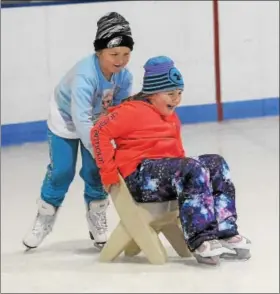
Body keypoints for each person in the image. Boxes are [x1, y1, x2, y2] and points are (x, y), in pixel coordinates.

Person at [90, 56, 251, 265]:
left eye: (179, 93)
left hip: (164, 175)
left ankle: (224, 229)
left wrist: (191, 172)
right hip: (140, 176)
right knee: (191, 168)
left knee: (216, 163)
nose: (176, 99)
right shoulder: (131, 111)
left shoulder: (170, 116)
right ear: (152, 93)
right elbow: (98, 132)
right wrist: (108, 172)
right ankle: (201, 238)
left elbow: (176, 152)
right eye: (170, 94)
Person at [23, 12, 134, 250]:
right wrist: (100, 151)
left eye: (126, 54)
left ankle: (96, 215)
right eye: (114, 54)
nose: (121, 60)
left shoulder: (124, 77)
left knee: (95, 171)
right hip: (68, 119)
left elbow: (121, 111)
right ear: (99, 51)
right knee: (62, 171)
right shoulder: (85, 76)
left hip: (95, 121)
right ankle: (45, 216)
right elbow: (81, 119)